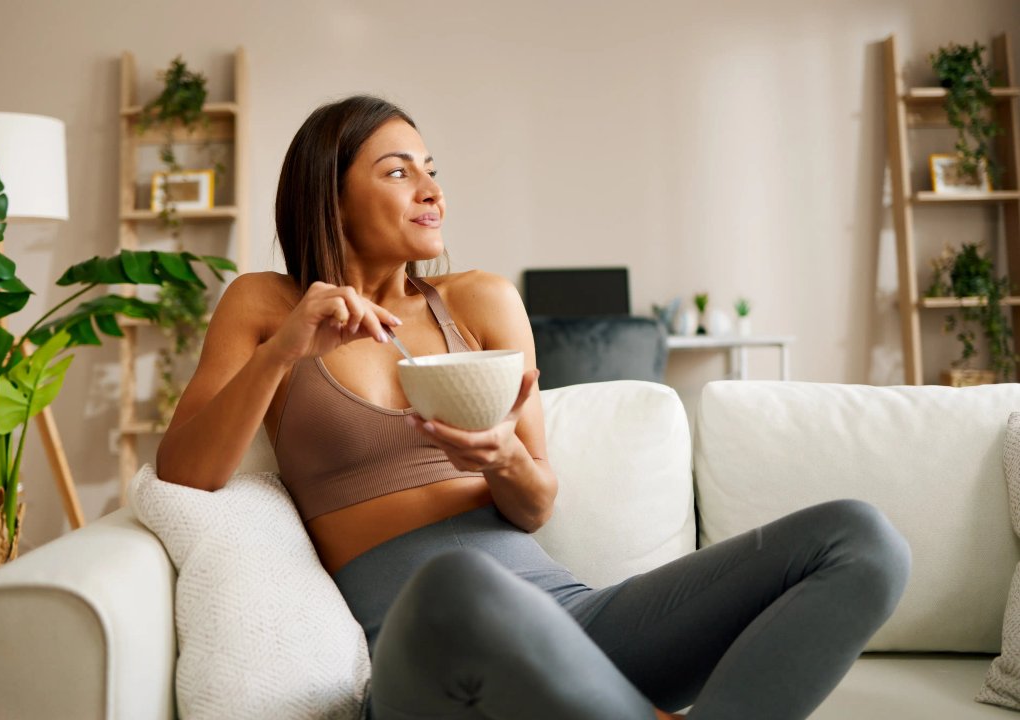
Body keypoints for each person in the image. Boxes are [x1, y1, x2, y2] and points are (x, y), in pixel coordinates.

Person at [156, 94, 912, 720]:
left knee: (862, 539)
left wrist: (504, 457)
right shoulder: (266, 304)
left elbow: (536, 502)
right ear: (331, 193)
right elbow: (185, 471)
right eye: (398, 171)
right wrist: (285, 350)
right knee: (459, 581)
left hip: (573, 622)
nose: (431, 189)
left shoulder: (480, 301)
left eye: (432, 170)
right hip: (431, 648)